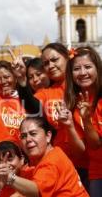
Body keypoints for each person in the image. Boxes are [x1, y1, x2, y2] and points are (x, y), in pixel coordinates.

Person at [10, 43, 87, 177]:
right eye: (46, 63)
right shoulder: (47, 93)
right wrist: (22, 80)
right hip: (61, 165)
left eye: (54, 60)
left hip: (90, 164)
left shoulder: (83, 84)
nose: (50, 65)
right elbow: (33, 108)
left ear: (67, 57)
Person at [0, 116, 89, 197]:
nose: (28, 139)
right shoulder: (50, 155)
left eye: (33, 134)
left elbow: (36, 190)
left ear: (48, 136)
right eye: (23, 136)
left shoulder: (52, 161)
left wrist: (10, 177)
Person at [64, 46, 102, 196]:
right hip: (97, 173)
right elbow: (94, 145)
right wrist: (82, 122)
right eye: (77, 69)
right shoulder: (74, 105)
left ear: (97, 68)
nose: (83, 73)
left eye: (87, 67)